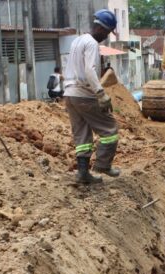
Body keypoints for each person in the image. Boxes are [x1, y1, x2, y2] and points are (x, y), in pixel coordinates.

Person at [63, 9, 121, 185]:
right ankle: (103, 165)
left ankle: (83, 174)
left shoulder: (77, 41)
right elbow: (90, 70)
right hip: (84, 94)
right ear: (102, 29)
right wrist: (101, 94)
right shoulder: (92, 44)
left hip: (70, 94)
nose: (106, 37)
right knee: (110, 129)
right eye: (107, 33)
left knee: (82, 134)